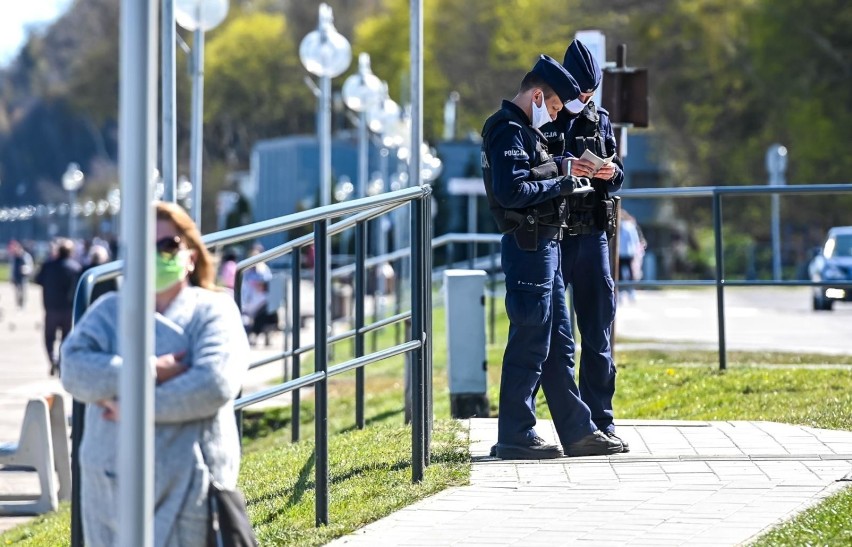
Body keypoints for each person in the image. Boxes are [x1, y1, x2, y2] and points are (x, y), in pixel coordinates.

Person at [60, 201, 251, 547]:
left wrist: (130, 408)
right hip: (107, 493)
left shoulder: (214, 311)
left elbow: (213, 383)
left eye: (169, 245)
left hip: (189, 489)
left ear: (191, 256)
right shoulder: (108, 311)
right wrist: (152, 370)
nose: (157, 254)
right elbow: (74, 369)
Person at [482, 54, 623, 459]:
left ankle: (577, 431)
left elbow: (532, 174)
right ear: (539, 95)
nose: (558, 114)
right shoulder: (508, 129)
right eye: (557, 106)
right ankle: (515, 433)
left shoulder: (523, 129)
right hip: (530, 246)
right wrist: (563, 182)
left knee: (550, 343)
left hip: (545, 248)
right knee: (530, 342)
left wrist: (562, 170)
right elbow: (513, 192)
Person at [539, 38, 628, 451]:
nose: (584, 99)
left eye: (590, 92)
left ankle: (602, 418)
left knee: (597, 331)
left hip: (591, 234)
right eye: (579, 91)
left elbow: (619, 171)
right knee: (558, 337)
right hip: (556, 236)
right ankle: (573, 423)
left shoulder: (600, 119)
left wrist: (610, 171)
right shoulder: (544, 116)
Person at [35, 237, 82, 375]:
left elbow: (38, 279)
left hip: (51, 307)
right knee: (66, 338)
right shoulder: (75, 268)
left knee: (49, 337)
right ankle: (61, 362)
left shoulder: (48, 265)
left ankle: (53, 359)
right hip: (68, 308)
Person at [617, 210, 645, 302]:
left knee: (624, 272)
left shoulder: (625, 226)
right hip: (625, 252)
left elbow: (634, 239)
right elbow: (635, 239)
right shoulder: (628, 226)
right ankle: (626, 292)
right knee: (625, 273)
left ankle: (628, 291)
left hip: (624, 252)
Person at [9, 240, 34, 309]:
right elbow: (11, 268)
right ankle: (18, 304)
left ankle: (23, 305)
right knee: (17, 292)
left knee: (23, 291)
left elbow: (30, 266)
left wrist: (26, 269)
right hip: (16, 276)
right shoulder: (14, 257)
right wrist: (11, 277)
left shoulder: (26, 256)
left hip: (23, 277)